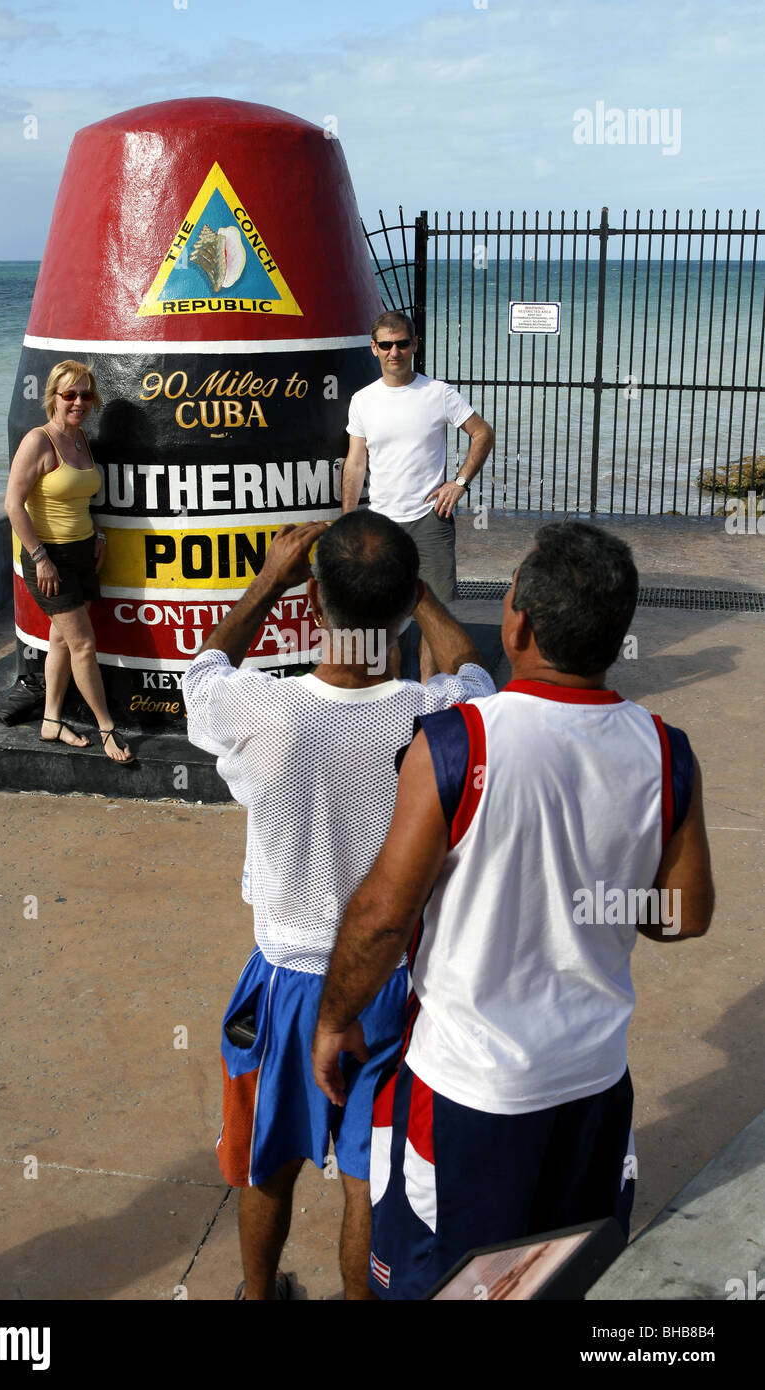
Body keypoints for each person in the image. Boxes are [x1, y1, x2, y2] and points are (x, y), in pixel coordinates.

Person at [313, 521, 715, 1300]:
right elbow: (682, 916)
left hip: (468, 1093)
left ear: (519, 624)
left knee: (441, 1286)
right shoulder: (666, 751)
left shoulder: (461, 741)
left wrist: (334, 1019)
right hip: (593, 1088)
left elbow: (380, 919)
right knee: (557, 1284)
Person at [181, 509, 496, 1300]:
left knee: (266, 1161)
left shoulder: (265, 710)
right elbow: (472, 670)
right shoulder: (439, 721)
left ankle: (259, 1296)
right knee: (368, 1179)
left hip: (288, 979)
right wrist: (419, 595)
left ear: (314, 599)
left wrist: (266, 581)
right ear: (401, 604)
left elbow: (202, 675)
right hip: (392, 985)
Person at [342, 311, 494, 678]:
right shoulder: (362, 400)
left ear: (414, 345)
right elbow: (355, 463)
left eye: (402, 344)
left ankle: (427, 691)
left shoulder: (438, 394)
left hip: (431, 520)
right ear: (374, 348)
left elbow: (483, 433)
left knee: (434, 614)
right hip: (381, 523)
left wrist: (459, 483)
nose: (395, 352)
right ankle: (395, 692)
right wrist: (348, 521)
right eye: (387, 345)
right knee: (384, 617)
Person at [4, 360, 133, 763]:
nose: (79, 402)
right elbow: (13, 504)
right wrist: (40, 558)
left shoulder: (80, 440)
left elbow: (79, 499)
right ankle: (107, 728)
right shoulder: (39, 441)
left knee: (61, 638)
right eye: (70, 394)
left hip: (81, 553)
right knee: (83, 643)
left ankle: (51, 720)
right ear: (53, 398)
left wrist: (96, 533)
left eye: (86, 394)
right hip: (50, 558)